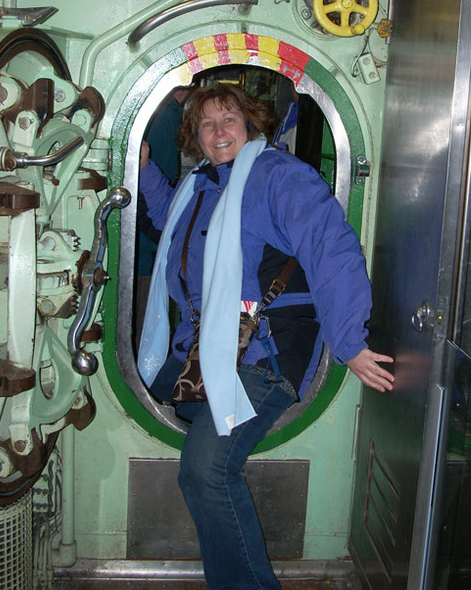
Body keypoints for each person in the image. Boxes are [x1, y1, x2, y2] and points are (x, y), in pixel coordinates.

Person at [137, 83, 394, 589]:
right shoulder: (204, 186)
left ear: (250, 122)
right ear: (196, 137)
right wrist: (144, 169)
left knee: (205, 471)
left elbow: (329, 246)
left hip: (266, 355)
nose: (219, 131)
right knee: (149, 384)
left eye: (228, 118)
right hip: (209, 350)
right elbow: (175, 224)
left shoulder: (277, 177)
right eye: (206, 124)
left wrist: (350, 341)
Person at [133, 87, 190, 351]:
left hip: (150, 242)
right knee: (144, 323)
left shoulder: (164, 113)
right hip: (147, 246)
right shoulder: (162, 116)